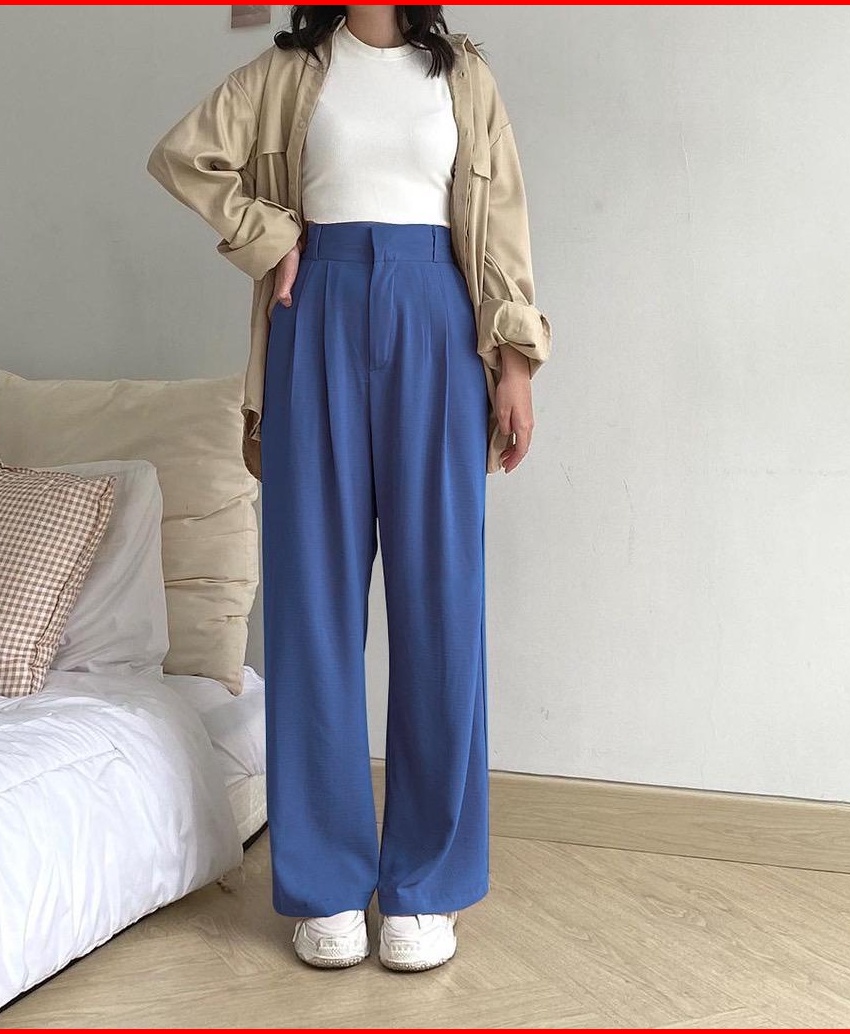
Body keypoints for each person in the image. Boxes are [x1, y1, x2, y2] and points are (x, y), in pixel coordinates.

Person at [147, 4, 551, 973]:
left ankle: (425, 885)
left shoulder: (463, 76)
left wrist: (514, 361)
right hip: (315, 313)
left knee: (440, 608)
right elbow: (183, 155)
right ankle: (324, 881)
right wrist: (268, 234)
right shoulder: (286, 72)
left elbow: (498, 224)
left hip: (438, 319)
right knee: (312, 608)